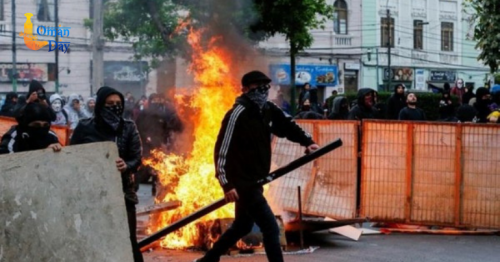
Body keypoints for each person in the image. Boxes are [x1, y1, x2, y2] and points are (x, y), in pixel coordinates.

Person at [194, 71, 319, 262]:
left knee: (242, 226)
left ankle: (208, 259)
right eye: (257, 87)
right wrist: (226, 184)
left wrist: (307, 142)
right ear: (244, 89)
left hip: (256, 180)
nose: (262, 91)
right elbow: (221, 151)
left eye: (266, 87)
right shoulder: (236, 114)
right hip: (243, 183)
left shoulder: (268, 109)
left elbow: (287, 125)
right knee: (270, 226)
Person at [70, 86, 143, 262]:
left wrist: (126, 165)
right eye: (110, 103)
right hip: (91, 194)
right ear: (100, 104)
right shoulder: (84, 127)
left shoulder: (128, 127)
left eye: (118, 103)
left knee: (129, 240)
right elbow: (72, 156)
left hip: (123, 192)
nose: (115, 107)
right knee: (96, 240)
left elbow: (137, 158)